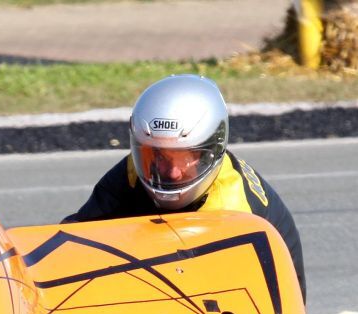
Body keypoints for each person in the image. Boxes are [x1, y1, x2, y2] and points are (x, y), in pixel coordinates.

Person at [63, 74, 306, 301]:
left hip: (266, 295)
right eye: (157, 156)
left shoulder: (232, 212)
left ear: (212, 152)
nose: (171, 172)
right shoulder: (134, 171)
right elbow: (80, 236)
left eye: (186, 158)